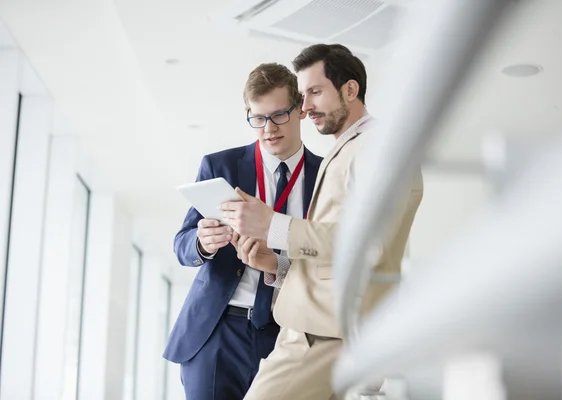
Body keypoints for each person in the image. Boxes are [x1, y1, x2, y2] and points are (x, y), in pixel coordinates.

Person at [221, 44, 423, 399]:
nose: (306, 105)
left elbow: (372, 244)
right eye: (303, 95)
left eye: (315, 91)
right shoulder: (351, 146)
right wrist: (279, 264)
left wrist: (273, 225)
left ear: (350, 89)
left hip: (325, 333)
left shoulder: (379, 146)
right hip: (318, 326)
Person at [163, 62, 323, 400]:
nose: (268, 129)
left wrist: (280, 264)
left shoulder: (327, 176)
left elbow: (329, 260)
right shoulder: (219, 165)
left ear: (301, 110)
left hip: (289, 333)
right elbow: (182, 245)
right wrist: (202, 243)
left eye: (279, 115)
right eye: (258, 118)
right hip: (217, 331)